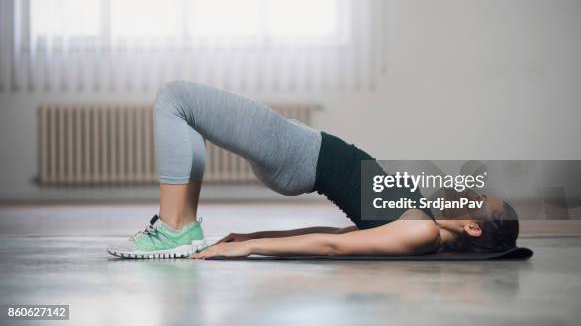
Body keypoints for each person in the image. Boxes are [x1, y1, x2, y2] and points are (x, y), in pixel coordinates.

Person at [107, 81, 519, 259]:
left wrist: (246, 249)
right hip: (298, 151)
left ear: (474, 227)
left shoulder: (423, 232)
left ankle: (175, 227)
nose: (472, 192)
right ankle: (179, 227)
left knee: (175, 98)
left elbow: (332, 248)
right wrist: (251, 235)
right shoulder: (421, 226)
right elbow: (340, 235)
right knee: (185, 112)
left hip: (295, 153)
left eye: (480, 201)